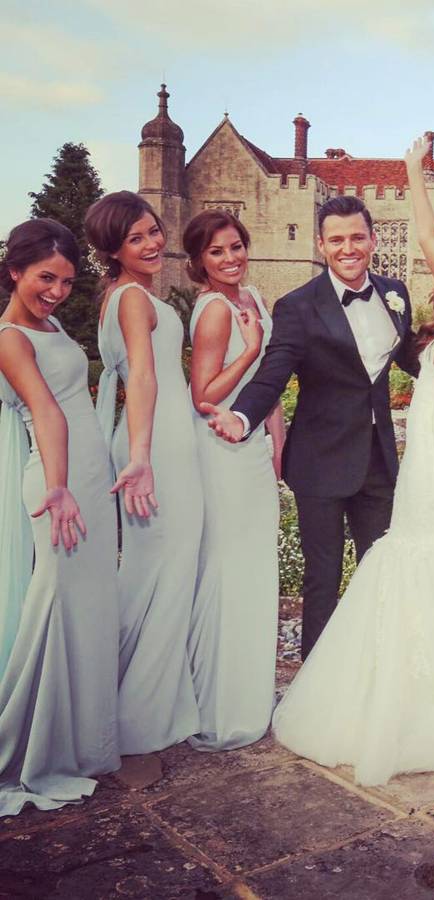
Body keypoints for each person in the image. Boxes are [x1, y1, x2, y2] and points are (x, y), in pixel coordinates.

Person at [264, 136, 434, 786]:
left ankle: (432, 698)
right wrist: (414, 172)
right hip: (415, 455)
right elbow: (428, 238)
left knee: (424, 555)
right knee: (401, 563)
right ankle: (380, 682)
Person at [202, 195, 418, 660]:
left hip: (378, 460)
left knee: (381, 569)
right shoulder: (297, 306)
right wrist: (243, 416)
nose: (348, 248)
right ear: (321, 245)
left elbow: (413, 358)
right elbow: (273, 374)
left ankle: (376, 668)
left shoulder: (395, 293)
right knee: (322, 577)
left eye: (357, 237)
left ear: (373, 240)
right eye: (336, 240)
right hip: (319, 462)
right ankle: (317, 676)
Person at [0, 219, 119, 814]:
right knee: (55, 602)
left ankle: (80, 741)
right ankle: (29, 746)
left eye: (68, 282)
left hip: (87, 479)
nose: (57, 291)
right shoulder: (10, 338)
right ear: (14, 270)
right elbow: (46, 412)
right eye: (46, 278)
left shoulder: (49, 325)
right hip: (57, 485)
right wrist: (58, 487)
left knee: (88, 605)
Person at [86, 190, 203, 755]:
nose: (153, 243)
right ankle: (138, 721)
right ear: (113, 250)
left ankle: (115, 702)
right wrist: (141, 457)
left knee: (149, 569)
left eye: (153, 230)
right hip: (156, 444)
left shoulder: (120, 294)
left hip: (150, 439)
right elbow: (143, 376)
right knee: (166, 570)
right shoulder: (133, 298)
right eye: (136, 238)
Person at [184, 210, 285, 751]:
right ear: (200, 261)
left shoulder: (253, 298)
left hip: (253, 447)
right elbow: (204, 395)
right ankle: (219, 704)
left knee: (253, 566)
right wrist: (248, 348)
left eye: (236, 246)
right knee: (229, 566)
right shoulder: (215, 310)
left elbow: (270, 382)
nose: (230, 258)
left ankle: (249, 694)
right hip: (222, 449)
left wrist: (278, 446)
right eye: (217, 251)